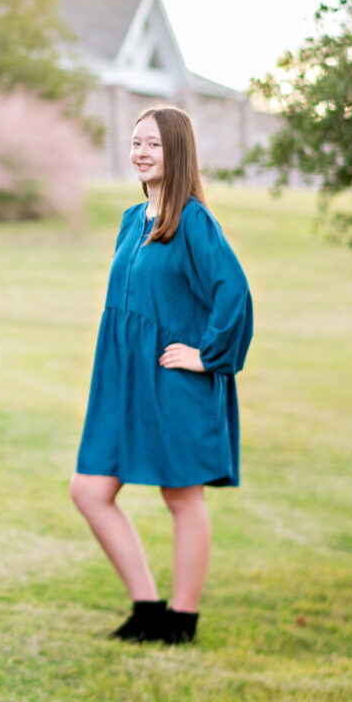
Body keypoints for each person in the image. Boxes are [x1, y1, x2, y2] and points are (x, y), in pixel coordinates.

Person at [70, 105, 253, 644]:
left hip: (174, 378)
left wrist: (206, 355)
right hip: (123, 379)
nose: (142, 152)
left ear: (177, 152)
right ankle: (147, 608)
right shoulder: (133, 218)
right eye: (135, 143)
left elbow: (233, 292)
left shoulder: (192, 220)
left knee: (181, 498)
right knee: (89, 490)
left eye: (153, 144)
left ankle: (181, 620)